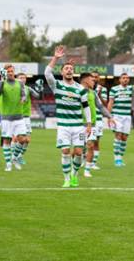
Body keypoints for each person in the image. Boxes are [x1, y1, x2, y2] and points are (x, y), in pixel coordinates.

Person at [45, 46, 91, 188]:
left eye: (71, 68)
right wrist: (56, 58)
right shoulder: (57, 85)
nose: (69, 70)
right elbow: (47, 73)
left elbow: (86, 106)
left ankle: (74, 175)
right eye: (66, 68)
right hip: (64, 126)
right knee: (65, 151)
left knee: (78, 153)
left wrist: (88, 124)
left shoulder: (80, 89)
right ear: (62, 72)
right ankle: (66, 179)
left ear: (74, 72)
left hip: (78, 126)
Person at [80, 72, 113, 178]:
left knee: (90, 145)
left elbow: (101, 107)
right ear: (85, 80)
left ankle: (87, 170)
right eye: (91, 80)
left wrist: (110, 116)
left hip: (91, 125)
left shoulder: (93, 93)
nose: (94, 82)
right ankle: (77, 162)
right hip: (78, 124)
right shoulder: (77, 91)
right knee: (78, 149)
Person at [0, 64, 28, 171]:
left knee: (23, 139)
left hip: (19, 117)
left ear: (14, 72)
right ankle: (8, 163)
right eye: (8, 71)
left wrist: (23, 98)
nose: (10, 73)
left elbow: (24, 95)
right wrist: (2, 80)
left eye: (11, 71)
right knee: (7, 141)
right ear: (5, 73)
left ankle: (14, 158)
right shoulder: (1, 83)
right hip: (6, 118)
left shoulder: (20, 83)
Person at [108, 66, 134, 167]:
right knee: (118, 135)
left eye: (127, 78)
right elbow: (110, 103)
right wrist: (109, 116)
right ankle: (116, 159)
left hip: (127, 116)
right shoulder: (114, 89)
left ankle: (120, 158)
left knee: (124, 138)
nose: (126, 79)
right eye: (123, 78)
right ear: (120, 80)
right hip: (117, 116)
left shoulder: (130, 89)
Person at [17, 73, 42, 164]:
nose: (23, 79)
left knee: (27, 140)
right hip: (16, 117)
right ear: (16, 79)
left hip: (26, 117)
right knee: (16, 139)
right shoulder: (14, 88)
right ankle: (12, 157)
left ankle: (19, 156)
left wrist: (40, 89)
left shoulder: (28, 89)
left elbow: (38, 96)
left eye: (24, 78)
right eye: (20, 78)